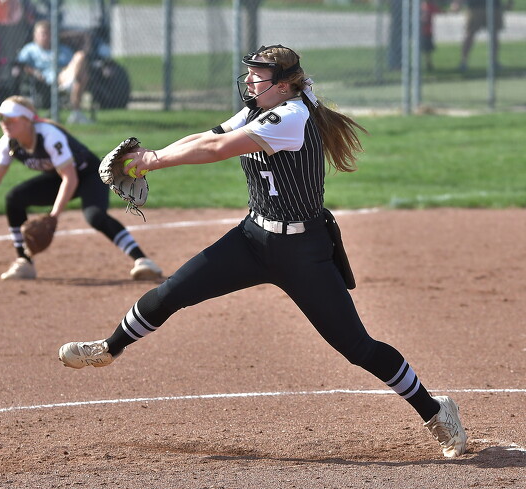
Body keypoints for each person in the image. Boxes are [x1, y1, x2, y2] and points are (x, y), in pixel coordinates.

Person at [58, 44, 468, 459]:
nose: (250, 80)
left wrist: (154, 160)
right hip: (253, 239)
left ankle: (436, 412)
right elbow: (208, 137)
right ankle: (109, 348)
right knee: (172, 292)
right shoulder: (259, 108)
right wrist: (152, 157)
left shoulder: (290, 117)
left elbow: (218, 151)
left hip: (303, 252)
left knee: (357, 347)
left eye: (259, 74)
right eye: (250, 72)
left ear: (285, 85)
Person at [0, 95, 162, 281]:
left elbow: (70, 178)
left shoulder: (49, 135)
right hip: (60, 178)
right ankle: (24, 261)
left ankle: (143, 261)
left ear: (27, 120)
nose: (5, 123)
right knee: (14, 199)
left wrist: (53, 217)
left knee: (95, 216)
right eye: (1, 118)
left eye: (11, 118)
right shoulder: (8, 143)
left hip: (89, 175)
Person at [16, 20, 90, 124]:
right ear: (35, 35)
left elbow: (72, 65)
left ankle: (70, 85)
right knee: (81, 78)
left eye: (48, 33)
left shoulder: (61, 49)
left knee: (80, 57)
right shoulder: (30, 49)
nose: (45, 37)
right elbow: (21, 65)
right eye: (42, 33)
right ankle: (76, 112)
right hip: (48, 79)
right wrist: (35, 72)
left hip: (64, 73)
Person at [451, 0, 512, 72]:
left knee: (494, 35)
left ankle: (494, 62)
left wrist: (510, 2)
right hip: (475, 7)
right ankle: (463, 62)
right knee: (470, 34)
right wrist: (457, 3)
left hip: (494, 7)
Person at [421, 0, 442, 72]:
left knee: (428, 50)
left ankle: (428, 63)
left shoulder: (431, 6)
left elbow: (439, 11)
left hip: (428, 31)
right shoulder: (421, 6)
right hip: (421, 32)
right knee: (421, 48)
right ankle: (422, 63)